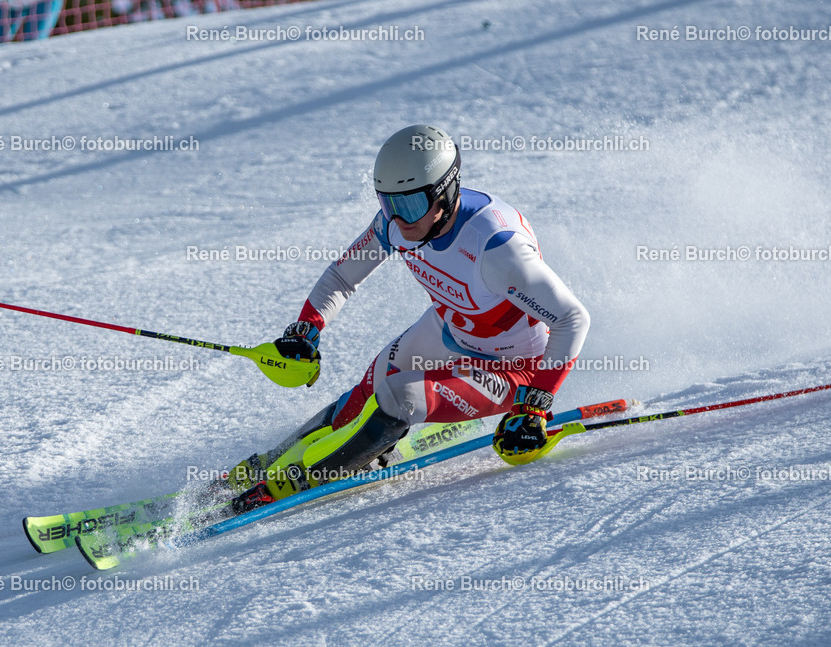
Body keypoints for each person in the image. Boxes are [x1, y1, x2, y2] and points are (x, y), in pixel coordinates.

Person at [226, 124, 590, 513]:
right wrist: (305, 330)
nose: (400, 220)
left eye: (412, 206)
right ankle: (274, 462)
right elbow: (341, 276)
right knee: (375, 381)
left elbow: (572, 318)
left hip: (514, 369)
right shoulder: (396, 224)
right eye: (389, 204)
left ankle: (291, 484)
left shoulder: (497, 247)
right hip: (450, 329)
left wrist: (534, 407)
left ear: (445, 191)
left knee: (399, 397)